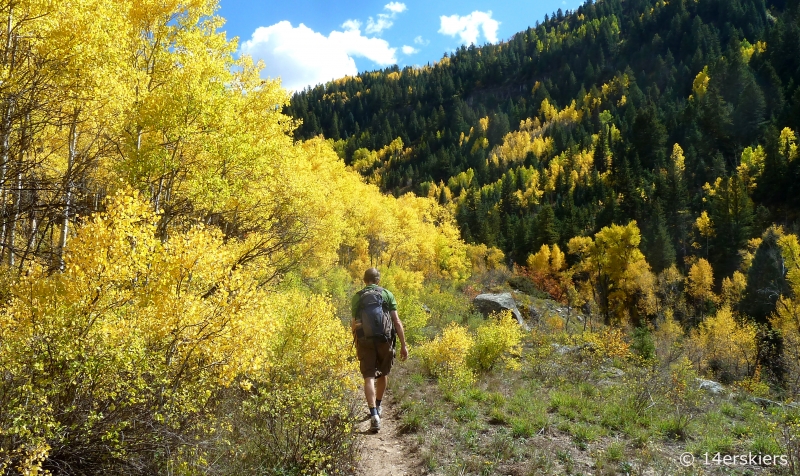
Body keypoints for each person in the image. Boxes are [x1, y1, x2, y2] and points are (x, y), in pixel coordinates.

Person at [351, 267, 408, 432]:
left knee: (368, 377)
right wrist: (403, 345)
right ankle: (379, 405)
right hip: (385, 340)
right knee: (383, 373)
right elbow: (396, 322)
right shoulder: (387, 294)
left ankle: (373, 413)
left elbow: (354, 324)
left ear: (364, 280)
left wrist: (357, 345)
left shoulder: (358, 297)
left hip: (365, 341)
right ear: (378, 280)